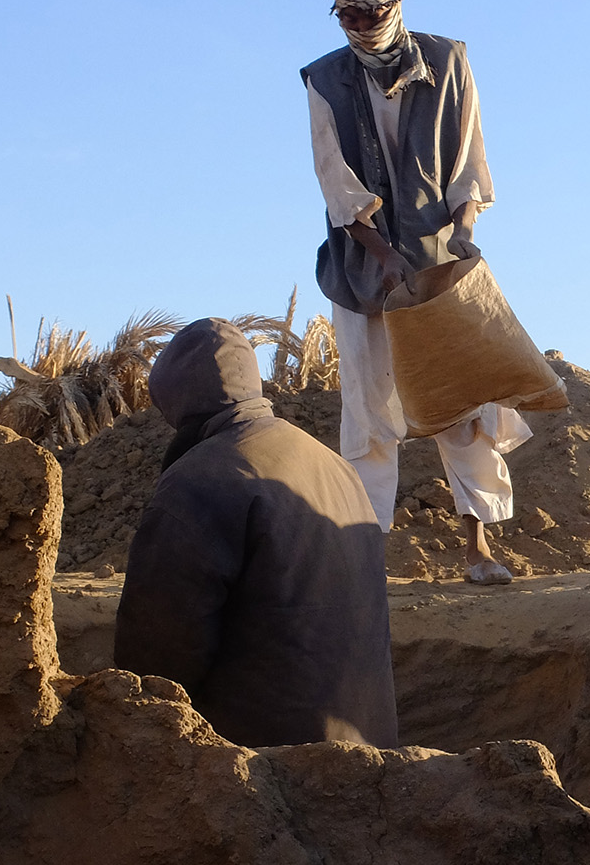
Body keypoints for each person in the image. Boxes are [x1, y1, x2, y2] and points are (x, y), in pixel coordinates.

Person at [302, 0, 522, 585]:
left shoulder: (448, 61)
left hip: (440, 260)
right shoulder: (325, 80)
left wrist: (463, 234)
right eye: (345, 14)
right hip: (362, 268)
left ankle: (478, 550)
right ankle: (366, 559)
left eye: (368, 12)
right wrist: (385, 258)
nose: (358, 24)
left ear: (395, 5)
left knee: (465, 401)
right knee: (369, 411)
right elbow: (337, 186)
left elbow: (469, 160)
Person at [114, 319, 398, 749]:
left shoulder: (200, 479)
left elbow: (158, 653)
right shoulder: (336, 467)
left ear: (173, 399)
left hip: (266, 760)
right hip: (368, 748)